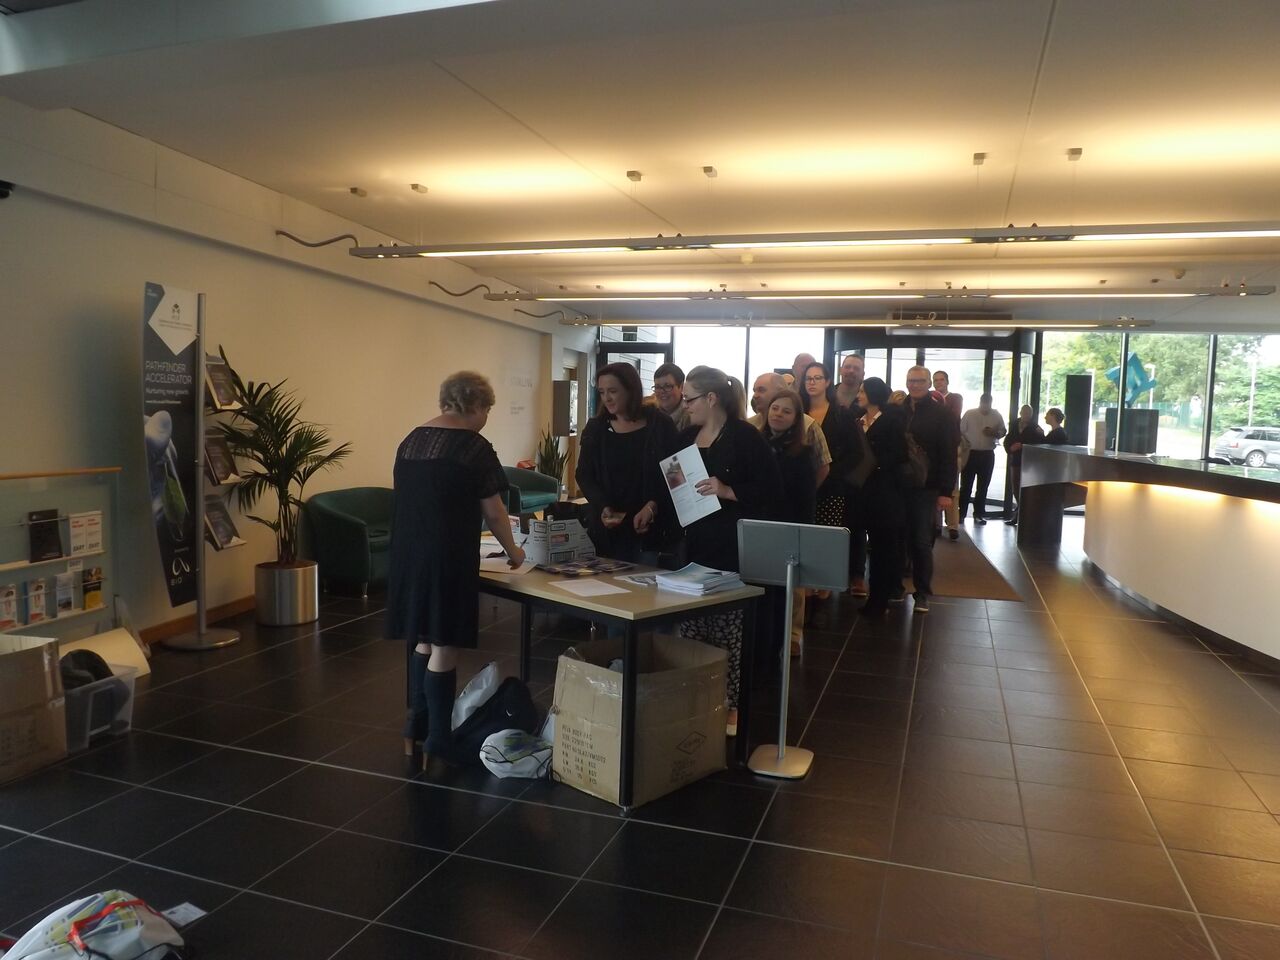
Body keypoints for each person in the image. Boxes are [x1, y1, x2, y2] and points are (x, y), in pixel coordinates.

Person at [388, 371, 524, 766]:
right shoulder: (473, 447)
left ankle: (414, 728)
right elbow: (494, 512)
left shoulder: (411, 441)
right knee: (445, 644)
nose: (486, 418)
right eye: (487, 410)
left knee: (424, 639)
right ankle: (438, 740)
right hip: (447, 554)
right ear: (476, 405)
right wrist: (514, 551)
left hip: (407, 553)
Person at [677, 365, 783, 735]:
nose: (685, 406)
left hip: (732, 545)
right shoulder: (687, 436)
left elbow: (772, 491)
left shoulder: (745, 437)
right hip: (695, 542)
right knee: (692, 625)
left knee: (728, 629)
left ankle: (730, 704)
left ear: (711, 398)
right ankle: (694, 698)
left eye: (689, 399)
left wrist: (727, 490)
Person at [576, 362, 681, 562]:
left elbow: (675, 474)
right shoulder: (596, 428)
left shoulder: (660, 425)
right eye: (602, 392)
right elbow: (584, 474)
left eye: (613, 391)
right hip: (607, 530)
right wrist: (603, 506)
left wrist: (652, 505)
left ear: (630, 390)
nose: (606, 398)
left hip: (651, 530)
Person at [758, 388, 816, 655]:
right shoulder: (755, 444)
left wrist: (802, 538)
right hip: (757, 526)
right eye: (775, 408)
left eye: (786, 411)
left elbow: (806, 501)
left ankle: (778, 647)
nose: (778, 414)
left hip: (785, 528)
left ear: (796, 418)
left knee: (782, 594)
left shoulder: (802, 453)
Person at [801, 361, 863, 600]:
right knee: (805, 536)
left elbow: (856, 453)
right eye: (808, 378)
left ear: (827, 382)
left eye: (817, 378)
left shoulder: (841, 414)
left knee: (827, 536)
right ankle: (806, 584)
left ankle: (825, 584)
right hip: (803, 484)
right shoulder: (797, 411)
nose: (812, 383)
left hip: (832, 485)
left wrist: (833, 473)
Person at [902, 366, 959, 614]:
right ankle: (895, 586)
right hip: (898, 485)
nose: (914, 385)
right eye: (911, 380)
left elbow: (949, 454)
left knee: (921, 541)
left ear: (928, 384)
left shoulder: (942, 414)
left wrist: (946, 491)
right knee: (898, 537)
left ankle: (922, 592)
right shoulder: (899, 410)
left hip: (926, 487)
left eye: (919, 381)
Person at [856, 377, 907, 616]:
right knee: (872, 545)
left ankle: (880, 599)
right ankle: (873, 597)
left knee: (883, 548)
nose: (859, 395)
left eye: (863, 391)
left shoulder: (891, 420)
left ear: (873, 394)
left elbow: (899, 454)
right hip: (864, 491)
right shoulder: (859, 419)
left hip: (885, 492)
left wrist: (875, 465)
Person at [748, 371, 832, 489]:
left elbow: (822, 467)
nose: (755, 395)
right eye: (754, 390)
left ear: (780, 391)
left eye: (761, 390)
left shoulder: (808, 425)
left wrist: (804, 493)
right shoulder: (749, 425)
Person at [958, 393, 1007, 525]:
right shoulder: (970, 414)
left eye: (988, 405)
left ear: (991, 403)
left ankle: (979, 514)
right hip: (971, 453)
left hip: (987, 454)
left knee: (983, 486)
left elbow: (1003, 431)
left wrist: (995, 433)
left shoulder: (996, 415)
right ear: (980, 403)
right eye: (984, 405)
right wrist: (964, 445)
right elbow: (961, 431)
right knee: (966, 486)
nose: (986, 408)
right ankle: (961, 514)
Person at [1004, 405, 1045, 525]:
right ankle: (1020, 512)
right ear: (1020, 412)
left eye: (1029, 413)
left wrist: (1022, 446)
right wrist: (1010, 448)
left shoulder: (1035, 427)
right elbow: (1008, 439)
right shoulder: (1014, 424)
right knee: (1016, 487)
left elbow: (1039, 444)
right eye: (1024, 412)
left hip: (1029, 462)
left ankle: (1021, 515)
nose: (1026, 415)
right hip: (1016, 460)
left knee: (1026, 489)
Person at [943, 392, 965, 540]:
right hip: (953, 457)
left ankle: (946, 525)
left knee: (951, 492)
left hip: (950, 456)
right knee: (953, 492)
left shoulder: (944, 418)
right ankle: (951, 525)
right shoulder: (956, 420)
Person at [652, 362, 690, 430]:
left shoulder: (691, 417)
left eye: (667, 386)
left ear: (681, 387)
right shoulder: (649, 414)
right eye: (657, 387)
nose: (662, 391)